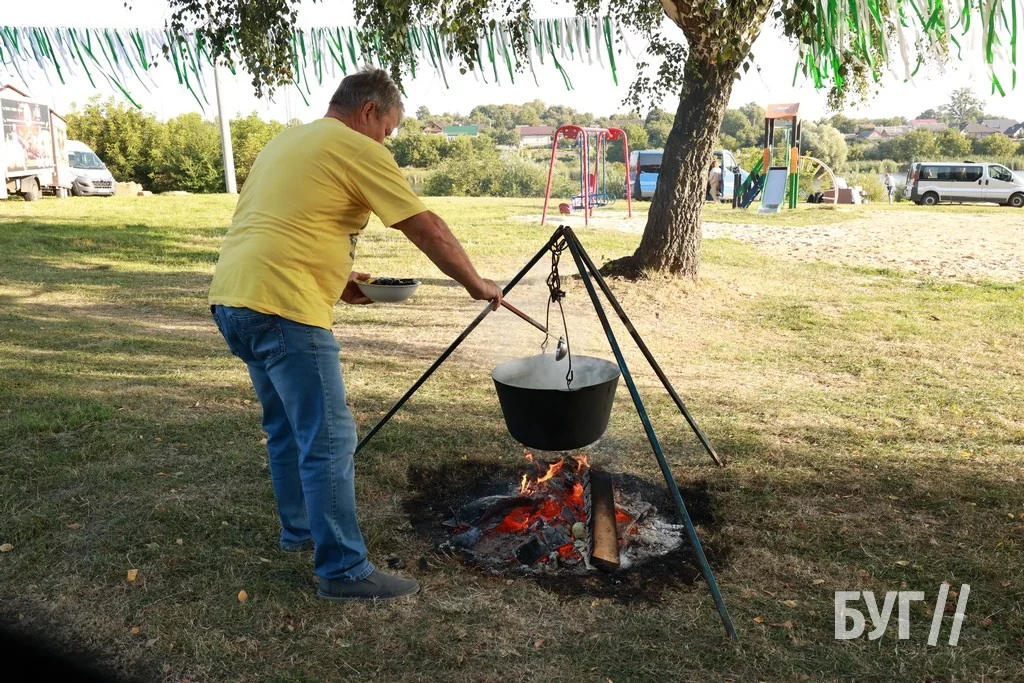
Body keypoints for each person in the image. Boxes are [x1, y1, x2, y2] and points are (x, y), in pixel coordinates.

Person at [208, 68, 503, 602]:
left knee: (285, 428)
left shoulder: (290, 140)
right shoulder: (355, 146)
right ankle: (342, 570)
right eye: (388, 131)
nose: (386, 142)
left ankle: (299, 531)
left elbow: (285, 220)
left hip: (234, 299)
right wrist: (476, 284)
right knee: (327, 440)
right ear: (369, 111)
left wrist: (337, 278)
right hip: (285, 306)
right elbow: (425, 226)